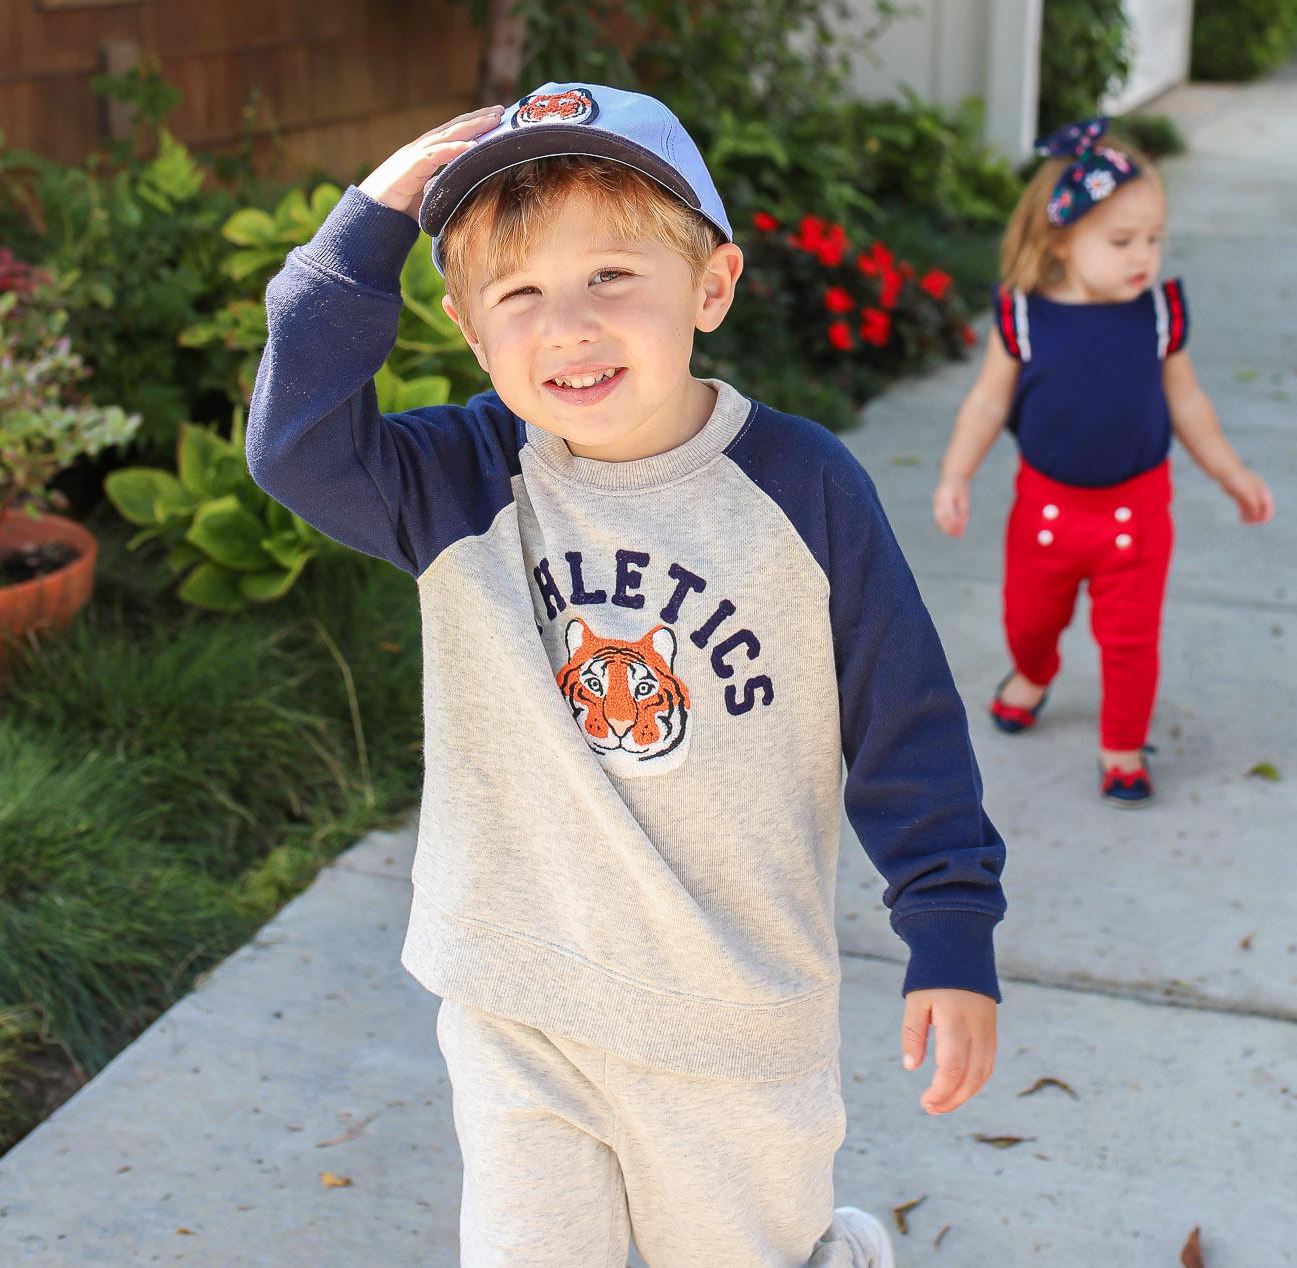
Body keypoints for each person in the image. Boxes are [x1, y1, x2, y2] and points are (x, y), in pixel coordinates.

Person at [246, 81, 1006, 1268]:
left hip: (731, 1017)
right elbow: (293, 444)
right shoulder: (459, 481)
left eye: (612, 277)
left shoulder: (803, 491)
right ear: (468, 327)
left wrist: (951, 924)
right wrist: (366, 229)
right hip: (518, 998)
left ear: (710, 285)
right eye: (520, 293)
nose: (570, 325)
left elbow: (905, 718)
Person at [932, 118, 1273, 806]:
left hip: (1138, 515)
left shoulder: (1157, 315)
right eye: (1121, 241)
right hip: (1047, 512)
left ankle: (1122, 745)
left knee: (1131, 640)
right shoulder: (1024, 317)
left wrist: (1231, 471)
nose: (1142, 256)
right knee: (1028, 621)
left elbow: (1189, 403)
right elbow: (988, 404)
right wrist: (955, 474)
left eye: (1153, 239)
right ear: (1060, 239)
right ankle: (1032, 674)